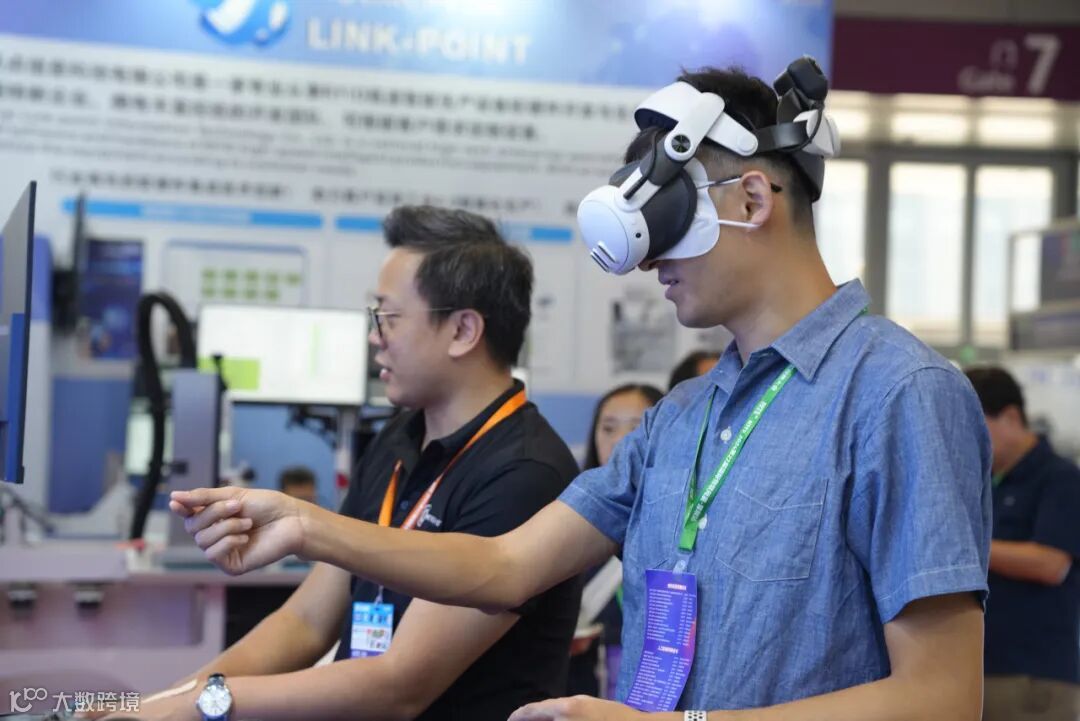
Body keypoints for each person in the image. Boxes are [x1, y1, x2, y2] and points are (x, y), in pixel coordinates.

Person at [173, 65, 992, 720]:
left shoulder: (899, 394)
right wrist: (311, 526)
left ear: (751, 200)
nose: (649, 260)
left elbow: (943, 696)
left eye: (669, 222)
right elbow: (504, 564)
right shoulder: (681, 419)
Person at [124, 205, 582, 721]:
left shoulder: (524, 473)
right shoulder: (398, 437)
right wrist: (155, 706)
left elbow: (397, 687)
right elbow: (304, 622)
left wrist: (200, 707)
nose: (373, 336)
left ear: (462, 331)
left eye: (388, 316)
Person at [965, 366, 1080, 721]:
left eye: (976, 426)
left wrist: (963, 550)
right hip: (982, 669)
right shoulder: (985, 483)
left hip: (1033, 679)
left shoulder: (1060, 479)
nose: (968, 440)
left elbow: (1050, 563)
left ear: (1011, 417)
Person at [569, 383, 663, 699]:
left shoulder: (674, 524)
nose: (621, 441)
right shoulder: (569, 517)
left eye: (637, 428)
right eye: (608, 428)